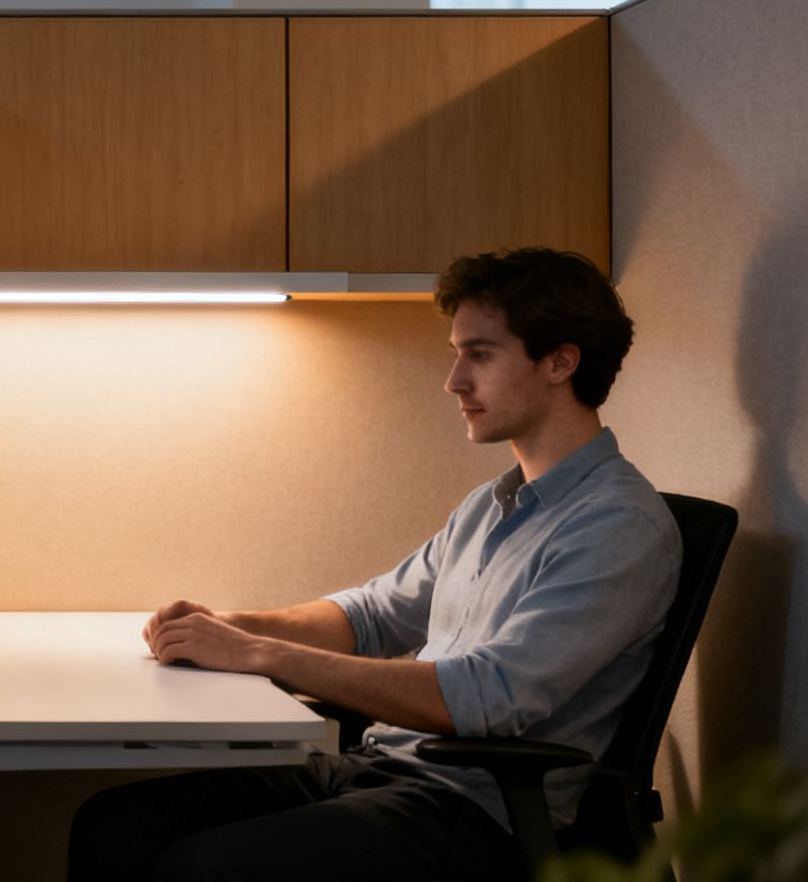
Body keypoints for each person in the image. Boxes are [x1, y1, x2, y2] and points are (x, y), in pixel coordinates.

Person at [66, 247, 681, 882]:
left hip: (479, 810)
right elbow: (371, 615)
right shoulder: (491, 505)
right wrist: (230, 627)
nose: (454, 380)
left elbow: (486, 698)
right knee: (115, 829)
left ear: (561, 361)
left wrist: (261, 656)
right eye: (457, 352)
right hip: (382, 767)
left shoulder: (616, 528)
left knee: (209, 867)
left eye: (480, 353)